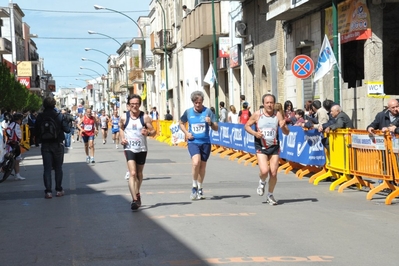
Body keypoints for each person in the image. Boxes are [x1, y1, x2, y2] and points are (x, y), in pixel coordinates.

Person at [245, 94, 289, 205]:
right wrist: (255, 133)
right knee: (264, 171)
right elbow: (247, 126)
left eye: (271, 102)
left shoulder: (277, 114)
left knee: (273, 173)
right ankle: (262, 181)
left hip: (274, 146)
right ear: (263, 104)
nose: (269, 105)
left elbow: (286, 132)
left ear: (274, 103)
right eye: (267, 103)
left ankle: (270, 195)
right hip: (261, 146)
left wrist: (283, 126)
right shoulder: (257, 114)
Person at [179, 90, 218, 200]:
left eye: (200, 102)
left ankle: (200, 188)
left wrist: (210, 123)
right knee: (196, 162)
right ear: (193, 102)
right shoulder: (188, 112)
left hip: (206, 142)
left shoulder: (208, 112)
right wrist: (186, 133)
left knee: (202, 166)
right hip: (193, 142)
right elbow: (181, 122)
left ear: (202, 102)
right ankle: (194, 186)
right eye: (196, 103)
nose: (198, 105)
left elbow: (216, 128)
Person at [119, 94, 156, 210]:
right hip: (129, 147)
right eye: (132, 104)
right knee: (133, 173)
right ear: (128, 105)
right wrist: (122, 138)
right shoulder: (124, 117)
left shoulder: (145, 117)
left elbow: (154, 131)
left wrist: (148, 133)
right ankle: (134, 199)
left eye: (136, 104)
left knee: (139, 174)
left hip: (141, 148)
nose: (134, 106)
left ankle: (137, 192)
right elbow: (121, 128)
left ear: (140, 104)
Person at [35, 97, 70, 199]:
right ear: (54, 104)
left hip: (45, 145)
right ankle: (59, 190)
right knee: (58, 168)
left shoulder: (40, 116)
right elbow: (67, 130)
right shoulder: (58, 115)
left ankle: (48, 192)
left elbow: (36, 132)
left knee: (47, 169)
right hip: (57, 144)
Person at [5, 113, 26, 181]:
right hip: (13, 144)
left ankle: (17, 174)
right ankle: (16, 174)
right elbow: (8, 130)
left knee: (17, 159)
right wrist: (11, 138)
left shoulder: (15, 124)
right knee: (15, 159)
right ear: (19, 119)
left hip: (15, 144)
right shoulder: (14, 124)